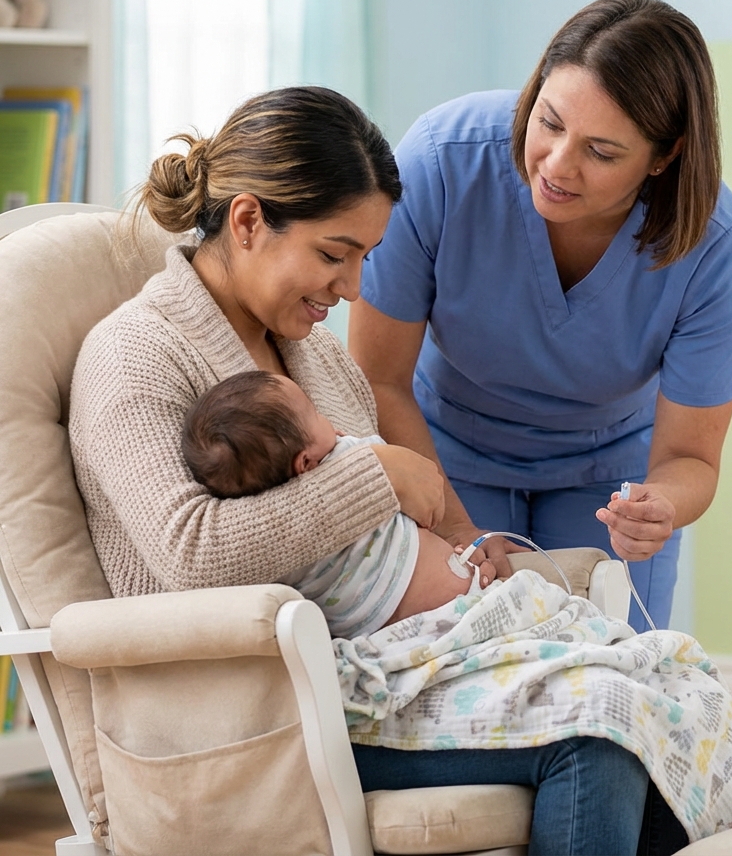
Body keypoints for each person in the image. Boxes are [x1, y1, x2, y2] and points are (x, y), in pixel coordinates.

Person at [68, 86, 689, 855]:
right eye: (335, 254)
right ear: (250, 220)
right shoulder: (134, 356)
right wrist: (381, 479)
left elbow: (376, 537)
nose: (354, 288)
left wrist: (463, 541)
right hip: (246, 713)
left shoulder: (316, 358)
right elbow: (193, 555)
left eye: (366, 258)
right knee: (599, 730)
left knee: (656, 697)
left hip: (370, 681)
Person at [349, 0, 732, 633]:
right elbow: (376, 378)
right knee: (454, 672)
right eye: (549, 121)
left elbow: (691, 460)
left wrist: (660, 507)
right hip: (440, 453)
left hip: (609, 481)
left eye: (602, 151)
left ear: (664, 156)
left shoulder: (714, 244)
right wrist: (456, 525)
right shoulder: (444, 160)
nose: (558, 165)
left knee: (617, 671)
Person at [180, 369, 483, 636]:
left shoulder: (274, 558)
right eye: (316, 413)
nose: (329, 420)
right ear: (305, 462)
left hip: (378, 640)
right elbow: (422, 504)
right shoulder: (352, 457)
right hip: (459, 610)